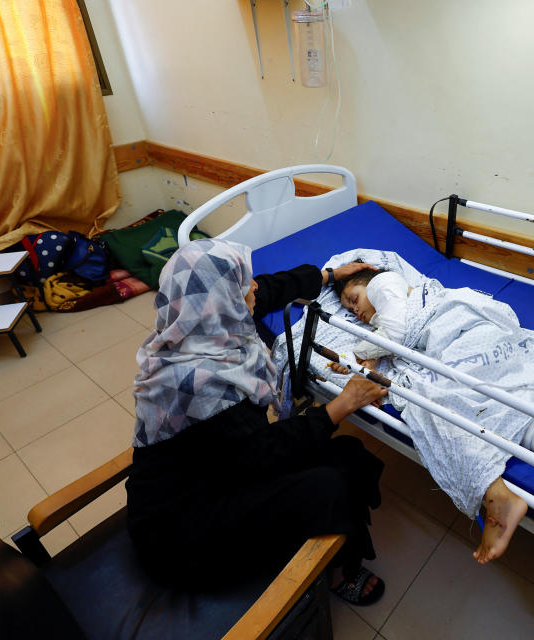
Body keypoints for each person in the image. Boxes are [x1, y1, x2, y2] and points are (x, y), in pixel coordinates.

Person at [126, 239, 389, 606]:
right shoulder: (201, 386)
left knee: (348, 454)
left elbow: (267, 290)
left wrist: (329, 276)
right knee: (330, 483)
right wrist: (340, 406)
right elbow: (263, 453)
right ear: (224, 299)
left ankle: (336, 547)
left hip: (216, 468)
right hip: (184, 530)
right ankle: (337, 573)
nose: (253, 287)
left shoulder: (197, 322)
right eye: (243, 284)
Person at [333, 267, 534, 565]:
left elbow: (396, 331)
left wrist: (361, 354)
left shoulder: (384, 284)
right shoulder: (385, 317)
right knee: (510, 403)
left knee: (435, 403)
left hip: (466, 329)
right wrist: (371, 358)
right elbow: (394, 332)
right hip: (476, 338)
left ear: (369, 281)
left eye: (353, 298)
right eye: (349, 308)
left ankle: (498, 494)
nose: (355, 310)